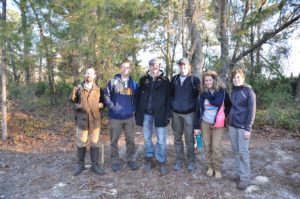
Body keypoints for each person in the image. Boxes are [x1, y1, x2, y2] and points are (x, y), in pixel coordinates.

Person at [135, 58, 171, 175]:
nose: (154, 66)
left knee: (161, 139)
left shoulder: (165, 81)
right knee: (147, 138)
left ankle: (161, 160)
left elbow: (168, 99)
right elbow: (138, 97)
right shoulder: (143, 80)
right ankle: (149, 158)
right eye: (152, 65)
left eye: (156, 65)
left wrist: (168, 115)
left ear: (159, 66)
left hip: (160, 114)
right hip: (146, 114)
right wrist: (137, 111)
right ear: (149, 66)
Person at [103, 59, 139, 172]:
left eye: (127, 67)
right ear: (120, 68)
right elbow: (106, 96)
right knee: (114, 141)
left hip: (129, 117)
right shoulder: (113, 82)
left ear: (130, 69)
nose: (125, 69)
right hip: (115, 117)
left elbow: (137, 98)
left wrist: (133, 109)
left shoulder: (133, 84)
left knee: (130, 140)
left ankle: (131, 160)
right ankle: (115, 161)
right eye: (123, 67)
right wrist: (112, 107)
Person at [69, 68, 105, 176]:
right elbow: (70, 102)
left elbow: (104, 102)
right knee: (81, 143)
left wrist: (100, 105)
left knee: (94, 143)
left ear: (94, 76)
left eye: (91, 73)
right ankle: (80, 165)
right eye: (87, 73)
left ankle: (95, 165)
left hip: (95, 121)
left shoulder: (98, 89)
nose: (89, 75)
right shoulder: (78, 88)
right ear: (84, 75)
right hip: (82, 121)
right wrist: (77, 106)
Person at [194, 71, 231, 179]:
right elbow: (198, 111)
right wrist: (196, 126)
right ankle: (210, 167)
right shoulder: (202, 94)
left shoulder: (222, 92)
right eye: (206, 80)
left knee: (216, 147)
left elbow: (229, 105)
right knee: (207, 146)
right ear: (203, 82)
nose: (208, 82)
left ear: (214, 80)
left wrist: (224, 115)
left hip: (218, 124)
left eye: (210, 80)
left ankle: (217, 168)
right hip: (205, 123)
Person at [228, 69, 256, 190]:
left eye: (238, 77)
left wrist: (248, 128)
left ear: (243, 79)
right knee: (235, 150)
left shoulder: (249, 92)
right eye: (234, 78)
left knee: (243, 152)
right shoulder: (233, 91)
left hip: (243, 127)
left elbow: (251, 111)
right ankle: (239, 174)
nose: (236, 79)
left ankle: (245, 178)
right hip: (232, 125)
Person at [170, 58, 200, 172]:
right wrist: (172, 108)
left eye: (184, 65)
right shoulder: (174, 79)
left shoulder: (194, 80)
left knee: (189, 139)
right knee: (177, 138)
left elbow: (199, 98)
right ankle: (179, 160)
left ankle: (191, 161)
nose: (182, 67)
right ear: (179, 66)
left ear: (189, 66)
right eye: (180, 65)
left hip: (189, 114)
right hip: (176, 114)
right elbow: (170, 95)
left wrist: (197, 114)